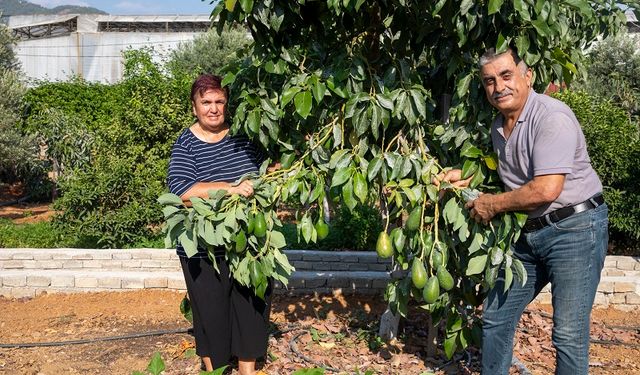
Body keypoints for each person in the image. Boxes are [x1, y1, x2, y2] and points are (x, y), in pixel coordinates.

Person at [440, 48, 608, 374]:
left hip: (575, 228)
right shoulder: (498, 127)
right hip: (532, 233)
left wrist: (492, 204)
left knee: (568, 334)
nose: (498, 87)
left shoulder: (551, 117)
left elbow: (546, 189)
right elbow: (507, 176)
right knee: (496, 315)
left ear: (526, 76)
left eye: (506, 76)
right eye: (489, 81)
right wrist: (458, 177)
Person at [167, 74, 270, 375]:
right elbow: (182, 192)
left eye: (219, 102)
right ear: (194, 106)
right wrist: (231, 188)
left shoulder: (243, 136)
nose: (213, 108)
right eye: (206, 102)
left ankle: (247, 370)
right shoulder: (186, 144)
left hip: (248, 241)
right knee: (211, 312)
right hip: (203, 245)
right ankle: (218, 371)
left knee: (251, 304)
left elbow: (266, 171)